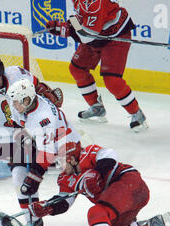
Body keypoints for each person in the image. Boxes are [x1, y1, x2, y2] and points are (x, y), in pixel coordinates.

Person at [26, 141, 170, 226]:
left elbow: (109, 155)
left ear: (71, 159)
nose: (59, 167)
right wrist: (47, 207)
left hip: (129, 183)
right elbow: (64, 201)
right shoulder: (65, 179)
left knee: (96, 212)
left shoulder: (88, 153)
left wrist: (96, 173)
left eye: (61, 162)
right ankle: (151, 225)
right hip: (126, 202)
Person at [45, 0, 148, 132]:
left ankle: (137, 114)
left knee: (112, 81)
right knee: (77, 69)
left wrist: (67, 30)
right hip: (97, 34)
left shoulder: (97, 2)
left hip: (115, 35)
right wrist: (67, 26)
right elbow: (83, 18)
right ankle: (96, 108)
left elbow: (87, 37)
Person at [6, 78, 81, 226]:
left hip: (66, 147)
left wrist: (34, 177)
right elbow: (16, 123)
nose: (14, 106)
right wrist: (22, 137)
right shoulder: (21, 103)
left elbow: (47, 155)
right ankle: (33, 222)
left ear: (27, 99)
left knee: (69, 184)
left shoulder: (44, 118)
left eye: (17, 102)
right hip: (41, 142)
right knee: (18, 175)